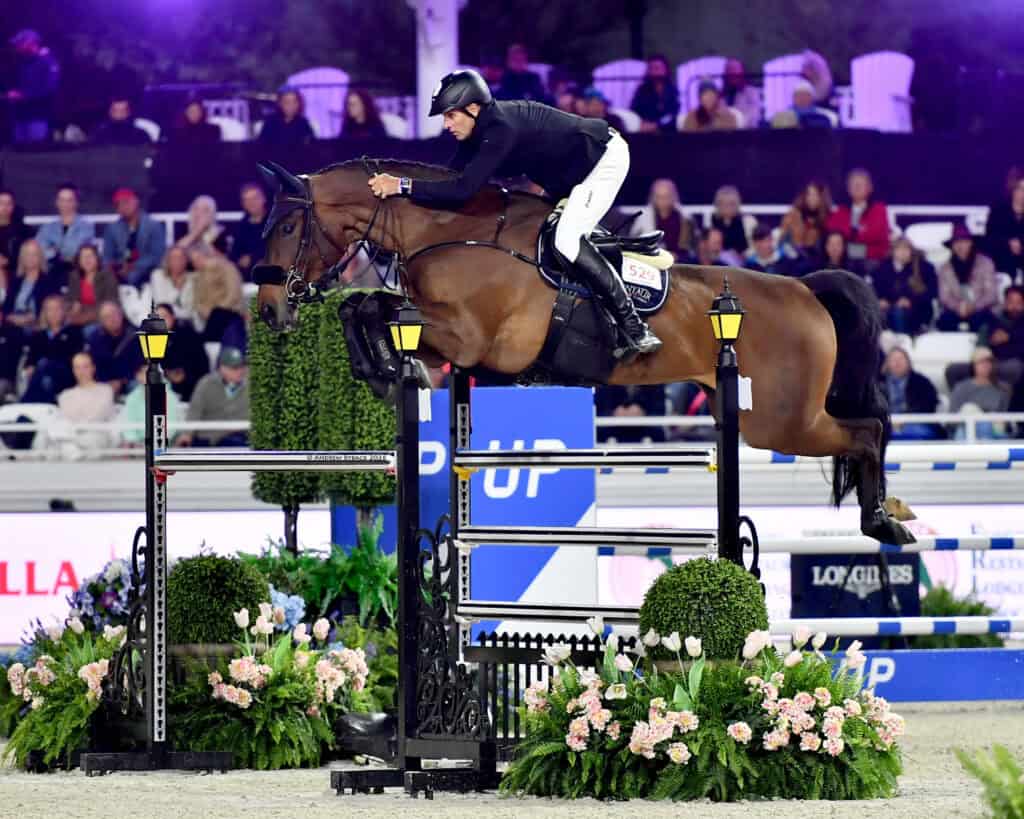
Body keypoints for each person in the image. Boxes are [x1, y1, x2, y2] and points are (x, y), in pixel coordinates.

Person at [365, 68, 661, 358]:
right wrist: (397, 197)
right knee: (540, 236)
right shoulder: (477, 132)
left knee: (566, 241)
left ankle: (634, 327)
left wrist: (401, 184)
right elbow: (447, 179)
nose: (446, 124)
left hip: (602, 160)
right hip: (570, 175)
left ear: (472, 108)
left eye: (450, 115)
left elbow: (461, 191)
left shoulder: (500, 129)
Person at [945, 285, 1024, 390]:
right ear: (1004, 303)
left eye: (1019, 303)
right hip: (988, 362)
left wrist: (1010, 337)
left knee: (1014, 368)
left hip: (1011, 364)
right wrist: (989, 345)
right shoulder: (992, 319)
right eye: (1010, 302)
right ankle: (963, 399)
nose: (1014, 306)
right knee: (953, 370)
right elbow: (981, 346)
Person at [177, 346, 250, 447]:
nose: (239, 371)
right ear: (222, 368)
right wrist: (187, 434)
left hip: (242, 438)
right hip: (210, 439)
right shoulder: (206, 384)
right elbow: (195, 411)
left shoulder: (252, 384)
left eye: (241, 366)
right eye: (234, 368)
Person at [21, 294, 83, 403]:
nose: (53, 313)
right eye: (49, 309)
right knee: (42, 373)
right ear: (45, 313)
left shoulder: (74, 332)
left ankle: (27, 403)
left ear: (63, 311)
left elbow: (74, 358)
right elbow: (30, 360)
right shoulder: (38, 336)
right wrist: (30, 367)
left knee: (47, 367)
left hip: (65, 375)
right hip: (40, 376)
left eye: (57, 309)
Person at [936, 223, 998, 332]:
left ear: (971, 243)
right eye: (957, 242)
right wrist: (959, 307)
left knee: (982, 321)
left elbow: (991, 294)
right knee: (944, 321)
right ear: (952, 246)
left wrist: (973, 307)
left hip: (980, 308)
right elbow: (944, 296)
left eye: (965, 242)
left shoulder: (986, 263)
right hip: (956, 309)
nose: (961, 246)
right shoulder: (945, 268)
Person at [101, 188, 167, 288]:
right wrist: (113, 268)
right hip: (120, 269)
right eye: (119, 204)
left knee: (137, 275)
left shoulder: (154, 226)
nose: (123, 206)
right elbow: (107, 256)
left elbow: (157, 255)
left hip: (146, 269)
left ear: (136, 202)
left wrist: (134, 266)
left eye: (126, 202)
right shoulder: (112, 229)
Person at [872, 237, 937, 336]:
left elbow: (932, 292)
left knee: (899, 314)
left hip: (917, 310)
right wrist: (880, 300)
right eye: (899, 248)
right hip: (889, 309)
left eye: (906, 249)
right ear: (893, 251)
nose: (903, 252)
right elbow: (875, 289)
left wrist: (911, 301)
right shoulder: (882, 269)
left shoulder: (924, 267)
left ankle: (903, 343)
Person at [826, 168, 891, 267]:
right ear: (848, 189)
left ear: (869, 188)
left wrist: (851, 248)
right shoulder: (840, 212)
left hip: (871, 261)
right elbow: (831, 235)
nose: (857, 187)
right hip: (843, 261)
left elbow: (879, 240)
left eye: (860, 184)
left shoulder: (879, 210)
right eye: (853, 184)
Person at [55, 351, 117, 451]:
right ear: (73, 370)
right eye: (77, 367)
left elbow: (98, 416)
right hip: (70, 435)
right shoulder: (65, 395)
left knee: (88, 439)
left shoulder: (105, 391)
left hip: (96, 434)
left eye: (85, 367)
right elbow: (66, 417)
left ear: (93, 368)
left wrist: (77, 425)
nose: (81, 371)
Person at [6, 29, 60, 144]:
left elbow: (50, 89)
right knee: (18, 157)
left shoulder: (48, 61)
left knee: (35, 154)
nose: (17, 46)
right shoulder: (25, 62)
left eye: (20, 43)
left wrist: (23, 95)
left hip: (38, 117)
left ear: (31, 43)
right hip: (21, 116)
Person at [34, 183, 94, 282]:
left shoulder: (86, 227)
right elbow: (39, 251)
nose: (65, 204)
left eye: (69, 200)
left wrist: (55, 250)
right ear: (57, 202)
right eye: (62, 200)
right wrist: (56, 254)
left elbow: (75, 252)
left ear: (76, 203)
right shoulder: (47, 228)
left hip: (77, 272)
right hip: (51, 272)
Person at [948, 347, 1011, 440]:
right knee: (969, 409)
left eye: (989, 361)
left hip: (994, 432)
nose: (986, 365)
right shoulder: (961, 388)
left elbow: (1005, 418)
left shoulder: (1002, 389)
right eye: (981, 362)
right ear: (973, 365)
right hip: (965, 430)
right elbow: (953, 418)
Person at [880, 347, 942, 440]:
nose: (897, 363)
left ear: (908, 362)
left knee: (922, 433)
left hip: (915, 422)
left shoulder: (922, 382)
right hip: (886, 423)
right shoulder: (877, 383)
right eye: (893, 360)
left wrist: (903, 420)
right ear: (887, 363)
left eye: (901, 359)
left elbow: (929, 406)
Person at [628, 178, 698, 262]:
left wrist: (676, 256)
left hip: (678, 261)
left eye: (666, 197)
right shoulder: (643, 218)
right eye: (659, 197)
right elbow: (634, 243)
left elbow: (691, 248)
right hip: (650, 260)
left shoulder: (685, 219)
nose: (662, 201)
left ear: (673, 197)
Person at [118, 360, 183, 446]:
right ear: (138, 376)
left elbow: (171, 428)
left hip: (163, 445)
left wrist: (155, 443)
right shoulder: (132, 398)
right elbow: (128, 423)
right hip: (137, 446)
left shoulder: (170, 398)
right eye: (144, 373)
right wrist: (133, 441)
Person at [85, 300, 142, 396]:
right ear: (101, 321)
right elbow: (95, 365)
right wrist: (107, 383)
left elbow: (139, 364)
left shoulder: (136, 335)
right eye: (107, 317)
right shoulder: (95, 339)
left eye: (114, 314)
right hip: (105, 383)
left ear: (121, 314)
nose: (112, 319)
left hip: (129, 380)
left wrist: (121, 381)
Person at [156, 303, 209, 402]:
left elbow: (197, 365)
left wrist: (176, 374)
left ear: (173, 317)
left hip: (192, 382)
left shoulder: (187, 334)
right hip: (167, 382)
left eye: (164, 317)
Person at [2, 240, 52, 330]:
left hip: (37, 327)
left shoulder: (48, 281)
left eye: (34, 254)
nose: (30, 258)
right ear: (22, 257)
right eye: (27, 254)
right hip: (12, 325)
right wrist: (10, 318)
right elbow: (7, 306)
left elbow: (50, 309)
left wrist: (29, 318)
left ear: (40, 257)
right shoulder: (15, 281)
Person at [984, 169, 1024, 280]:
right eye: (1020, 188)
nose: (1023, 194)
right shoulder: (998, 211)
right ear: (1013, 188)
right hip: (1001, 269)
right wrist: (1007, 243)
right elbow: (989, 241)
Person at [780, 180, 832, 263]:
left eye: (815, 195)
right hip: (791, 256)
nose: (811, 198)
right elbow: (782, 240)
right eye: (809, 194)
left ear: (821, 197)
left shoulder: (825, 217)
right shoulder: (794, 213)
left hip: (816, 259)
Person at [594, 384, 666, 443]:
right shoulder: (604, 383)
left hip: (647, 435)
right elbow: (597, 413)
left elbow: (660, 415)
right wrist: (613, 414)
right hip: (611, 435)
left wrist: (643, 414)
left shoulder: (655, 383)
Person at [67, 244, 117, 328]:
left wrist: (85, 315)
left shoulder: (107, 276)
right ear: (79, 261)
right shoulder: (74, 276)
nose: (87, 260)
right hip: (77, 318)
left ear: (97, 258)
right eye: (83, 257)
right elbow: (69, 300)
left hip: (101, 318)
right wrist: (72, 307)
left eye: (90, 256)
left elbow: (110, 303)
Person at [630, 55, 679, 134]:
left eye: (658, 68)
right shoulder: (642, 91)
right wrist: (642, 123)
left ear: (665, 70)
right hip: (645, 131)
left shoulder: (672, 91)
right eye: (652, 68)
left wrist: (657, 125)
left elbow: (672, 114)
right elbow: (634, 110)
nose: (655, 72)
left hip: (667, 131)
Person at [228, 183, 267, 280]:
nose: (251, 203)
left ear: (263, 199)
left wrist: (253, 258)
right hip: (244, 275)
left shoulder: (275, 222)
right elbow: (233, 253)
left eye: (254, 198)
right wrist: (239, 260)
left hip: (270, 272)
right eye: (247, 200)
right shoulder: (240, 226)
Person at [149, 246, 196, 324]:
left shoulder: (193, 278)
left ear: (187, 260)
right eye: (174, 257)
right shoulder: (158, 275)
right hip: (164, 322)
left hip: (188, 324)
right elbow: (162, 305)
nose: (178, 261)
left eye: (181, 257)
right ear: (167, 260)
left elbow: (191, 310)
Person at [770, 80, 834, 129]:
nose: (802, 98)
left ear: (812, 97)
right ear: (793, 97)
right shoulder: (781, 116)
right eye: (799, 95)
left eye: (805, 95)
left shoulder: (827, 115)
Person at [0, 190, 33, 284]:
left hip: (17, 276)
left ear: (13, 206)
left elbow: (31, 255)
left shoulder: (24, 231)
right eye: (1, 203)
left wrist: (8, 261)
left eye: (8, 203)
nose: (4, 207)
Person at [721, 59, 761, 129]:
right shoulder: (721, 95)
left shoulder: (751, 92)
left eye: (734, 69)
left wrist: (736, 122)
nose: (732, 72)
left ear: (742, 71)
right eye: (729, 69)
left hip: (746, 132)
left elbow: (754, 114)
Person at [711, 185, 749, 257]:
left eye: (731, 204)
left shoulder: (747, 221)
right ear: (718, 205)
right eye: (723, 204)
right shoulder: (713, 221)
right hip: (719, 261)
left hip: (743, 260)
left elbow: (751, 247)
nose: (727, 207)